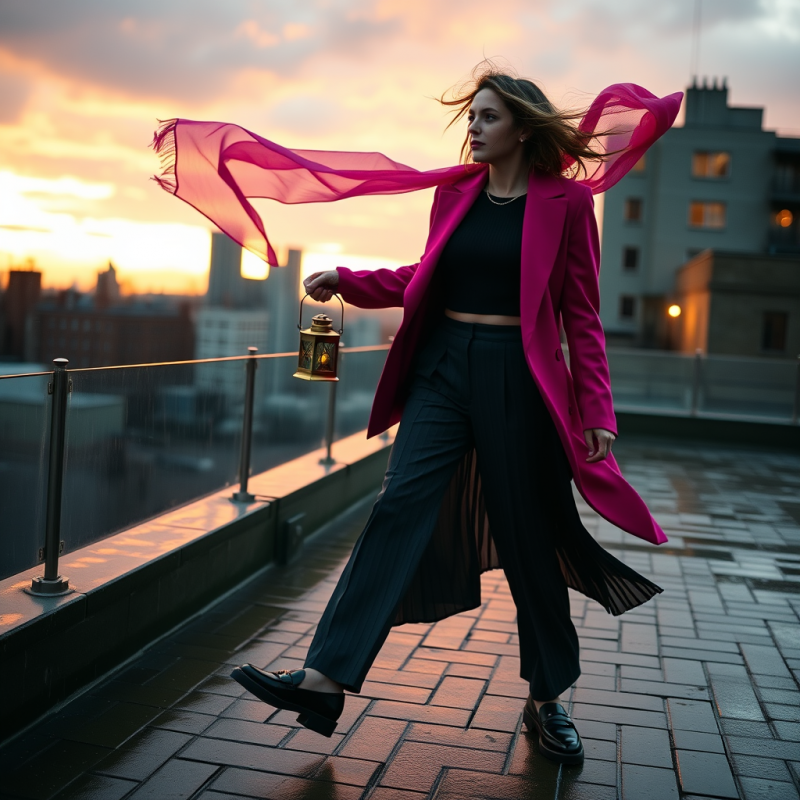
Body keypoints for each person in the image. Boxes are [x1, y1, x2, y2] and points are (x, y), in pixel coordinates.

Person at [228, 65, 675, 766]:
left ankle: (547, 698)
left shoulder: (566, 203)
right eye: (471, 116)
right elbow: (425, 276)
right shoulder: (455, 193)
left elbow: (581, 315)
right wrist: (349, 280)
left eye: (488, 117)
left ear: (522, 129)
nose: (473, 128)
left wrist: (597, 409)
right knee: (397, 505)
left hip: (519, 377)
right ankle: (325, 679)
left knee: (529, 539)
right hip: (442, 369)